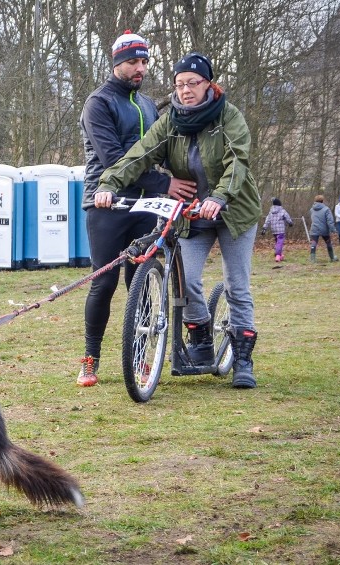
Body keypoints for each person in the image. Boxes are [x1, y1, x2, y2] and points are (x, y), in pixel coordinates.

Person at [97, 52, 262, 389]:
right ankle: (201, 344)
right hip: (191, 214)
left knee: (237, 285)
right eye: (180, 83)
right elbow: (140, 154)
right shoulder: (171, 121)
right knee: (186, 281)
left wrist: (218, 197)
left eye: (193, 83)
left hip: (234, 212)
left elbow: (237, 161)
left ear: (208, 85)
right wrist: (108, 183)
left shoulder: (229, 117)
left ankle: (243, 360)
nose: (186, 90)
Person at [76, 30, 184, 387]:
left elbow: (162, 152)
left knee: (141, 277)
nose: (140, 68)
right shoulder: (99, 103)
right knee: (103, 282)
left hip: (145, 206)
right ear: (117, 63)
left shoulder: (150, 104)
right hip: (106, 201)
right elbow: (114, 161)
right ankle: (90, 359)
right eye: (133, 62)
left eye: (144, 61)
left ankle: (140, 357)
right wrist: (164, 184)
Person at [261, 197, 294, 262]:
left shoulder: (271, 212)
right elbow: (287, 218)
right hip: (280, 230)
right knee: (280, 242)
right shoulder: (282, 211)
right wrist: (290, 223)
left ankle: (280, 255)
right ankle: (278, 255)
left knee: (277, 242)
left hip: (274, 230)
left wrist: (264, 228)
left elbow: (267, 220)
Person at [309, 194, 338, 262]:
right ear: (322, 201)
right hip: (324, 229)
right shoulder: (326, 209)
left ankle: (312, 259)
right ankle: (332, 258)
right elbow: (330, 221)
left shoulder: (311, 209)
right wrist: (333, 229)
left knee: (314, 243)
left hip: (314, 228)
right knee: (328, 243)